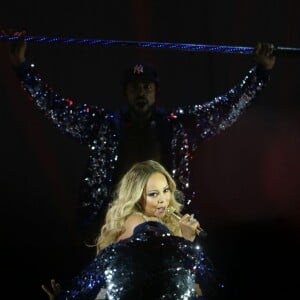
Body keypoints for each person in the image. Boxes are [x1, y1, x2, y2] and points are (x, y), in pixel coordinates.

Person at [1, 30, 276, 240]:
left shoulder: (177, 127)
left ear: (156, 91)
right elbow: (56, 108)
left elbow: (224, 108)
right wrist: (23, 69)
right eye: (135, 87)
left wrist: (260, 73)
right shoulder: (104, 127)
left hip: (166, 221)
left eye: (147, 86)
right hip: (117, 223)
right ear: (125, 93)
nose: (141, 92)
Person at [41, 160, 222, 300]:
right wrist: (186, 240)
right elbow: (161, 269)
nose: (163, 200)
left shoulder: (158, 220)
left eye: (166, 190)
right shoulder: (137, 222)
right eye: (153, 194)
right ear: (136, 197)